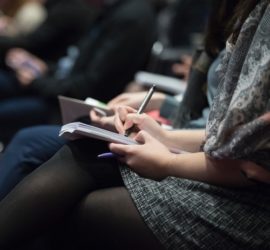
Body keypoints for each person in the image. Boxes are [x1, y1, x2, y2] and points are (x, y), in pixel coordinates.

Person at [3, 1, 270, 249]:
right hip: (205, 153)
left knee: (76, 202)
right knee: (76, 149)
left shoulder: (133, 14)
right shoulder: (240, 12)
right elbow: (224, 135)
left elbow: (247, 160)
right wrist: (162, 133)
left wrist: (168, 158)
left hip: (245, 201)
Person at [0, 0, 156, 143]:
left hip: (75, 111)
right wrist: (47, 69)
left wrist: (36, 82)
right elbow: (76, 65)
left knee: (22, 137)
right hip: (59, 91)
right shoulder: (116, 9)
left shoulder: (130, 17)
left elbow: (88, 87)